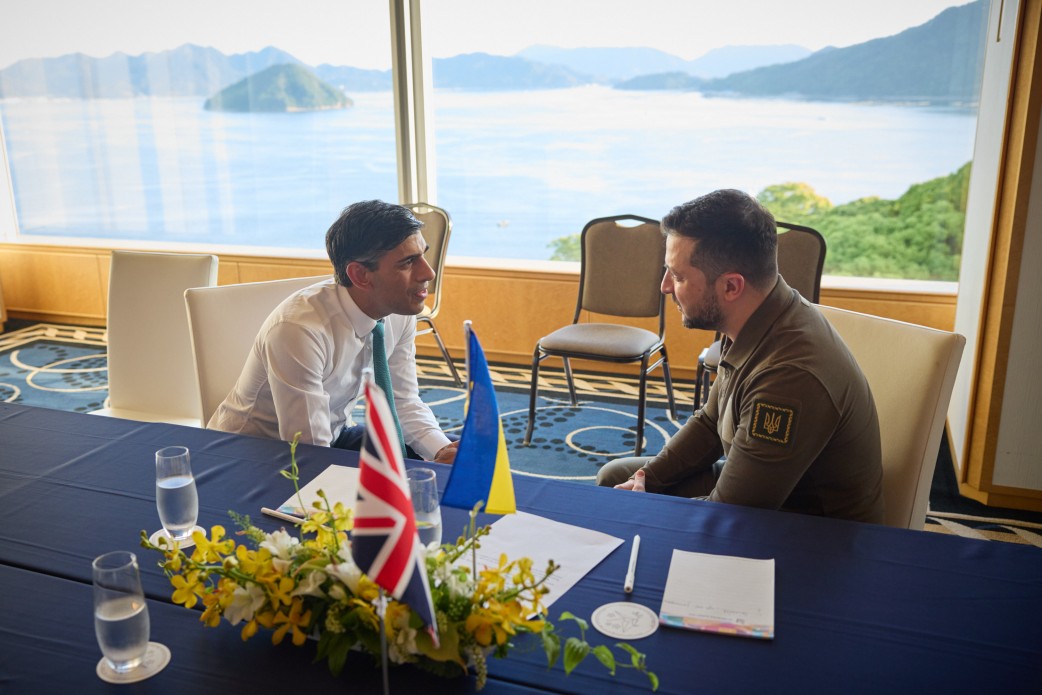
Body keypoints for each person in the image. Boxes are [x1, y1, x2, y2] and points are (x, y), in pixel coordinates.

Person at [596, 189, 884, 523]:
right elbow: (709, 422)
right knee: (617, 479)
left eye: (678, 275)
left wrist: (648, 509)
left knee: (629, 513)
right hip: (765, 497)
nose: (665, 286)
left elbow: (731, 516)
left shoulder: (790, 376)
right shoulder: (758, 315)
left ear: (732, 287)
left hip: (814, 536)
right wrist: (646, 478)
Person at [208, 200, 458, 463]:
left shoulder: (398, 308)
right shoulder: (298, 331)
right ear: (360, 275)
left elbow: (402, 401)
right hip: (253, 454)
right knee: (406, 483)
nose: (428, 273)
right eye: (407, 263)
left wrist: (442, 450)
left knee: (452, 457)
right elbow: (310, 453)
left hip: (332, 434)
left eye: (423, 255)